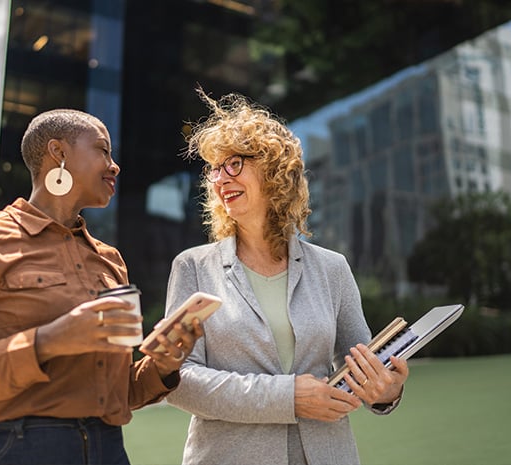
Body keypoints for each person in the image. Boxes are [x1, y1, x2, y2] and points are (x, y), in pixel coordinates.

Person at [0, 108, 203, 465]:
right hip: (10, 449)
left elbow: (117, 393)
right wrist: (49, 341)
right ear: (59, 153)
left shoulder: (111, 260)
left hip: (107, 449)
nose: (115, 166)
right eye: (102, 150)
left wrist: (161, 366)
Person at [164, 90, 410, 465]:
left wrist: (386, 390)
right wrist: (288, 397)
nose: (219, 179)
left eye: (234, 164)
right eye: (215, 169)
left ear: (274, 171)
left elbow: (361, 367)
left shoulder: (332, 269)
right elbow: (178, 380)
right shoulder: (193, 267)